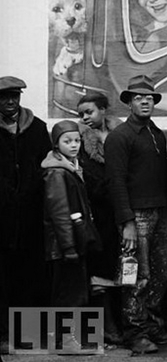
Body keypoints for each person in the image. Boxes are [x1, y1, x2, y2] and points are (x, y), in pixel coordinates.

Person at [105, 75, 167, 355]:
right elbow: (115, 181)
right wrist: (127, 223)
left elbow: (162, 178)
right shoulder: (120, 137)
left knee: (161, 273)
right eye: (138, 98)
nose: (145, 101)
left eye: (150, 98)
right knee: (136, 276)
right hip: (136, 216)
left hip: (158, 212)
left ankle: (152, 323)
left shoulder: (156, 133)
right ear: (129, 103)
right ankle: (134, 332)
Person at [0, 76, 52, 344]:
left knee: (31, 274)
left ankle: (29, 335)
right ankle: (3, 335)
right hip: (3, 217)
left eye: (14, 96)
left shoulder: (38, 128)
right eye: (4, 97)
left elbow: (47, 166)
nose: (10, 102)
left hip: (31, 215)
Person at [77, 91, 124, 344]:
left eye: (90, 111)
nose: (85, 117)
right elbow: (91, 180)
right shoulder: (82, 142)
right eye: (81, 114)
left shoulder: (120, 135)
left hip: (123, 212)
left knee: (125, 268)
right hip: (100, 215)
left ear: (104, 110)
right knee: (101, 270)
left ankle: (124, 320)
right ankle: (107, 325)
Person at [42, 120, 101, 309]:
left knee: (76, 293)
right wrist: (68, 247)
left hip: (76, 240)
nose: (74, 145)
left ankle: (69, 337)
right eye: (67, 141)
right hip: (64, 245)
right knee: (68, 295)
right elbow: (59, 213)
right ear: (56, 144)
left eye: (77, 140)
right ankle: (64, 337)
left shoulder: (74, 167)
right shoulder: (57, 173)